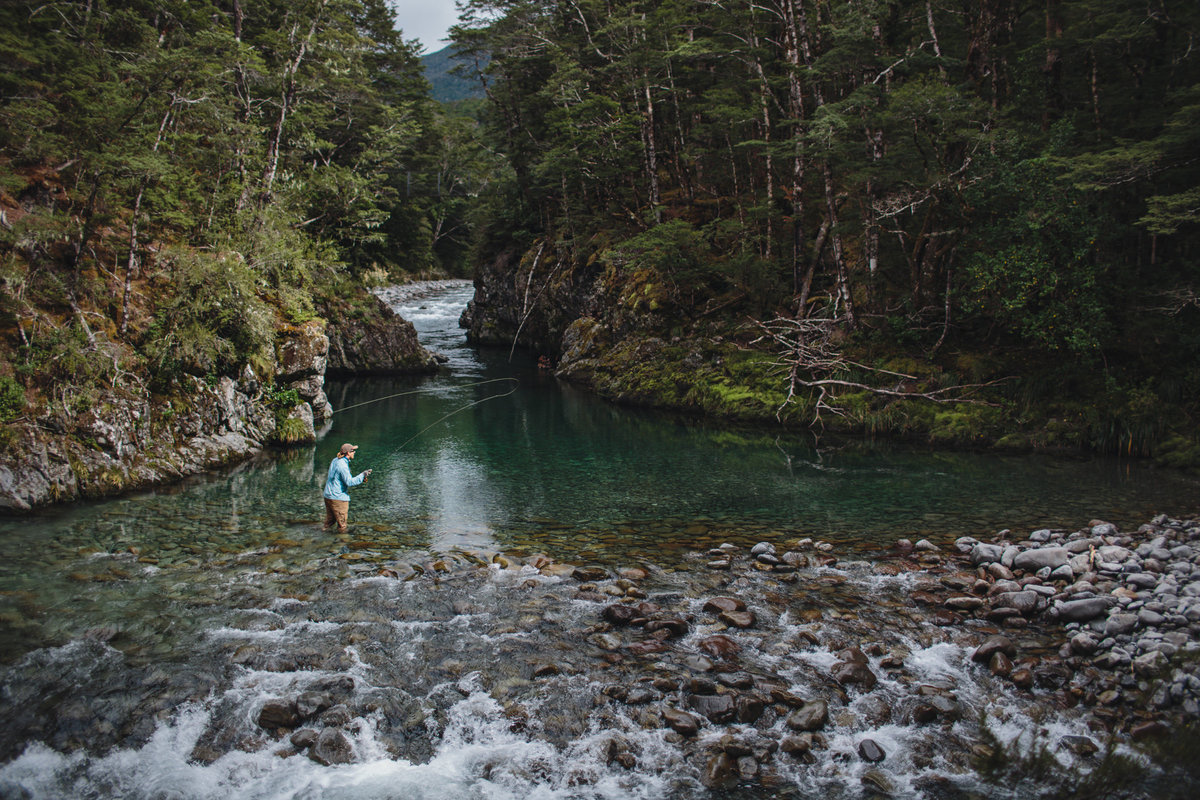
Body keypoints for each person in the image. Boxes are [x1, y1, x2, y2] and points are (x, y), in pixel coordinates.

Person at [322, 443, 372, 532]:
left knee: (329, 522)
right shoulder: (343, 465)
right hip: (338, 499)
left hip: (328, 496)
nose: (354, 452)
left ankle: (323, 540)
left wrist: (361, 478)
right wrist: (362, 475)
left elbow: (339, 478)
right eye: (353, 451)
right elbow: (349, 482)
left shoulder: (335, 460)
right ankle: (341, 543)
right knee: (342, 525)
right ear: (348, 453)